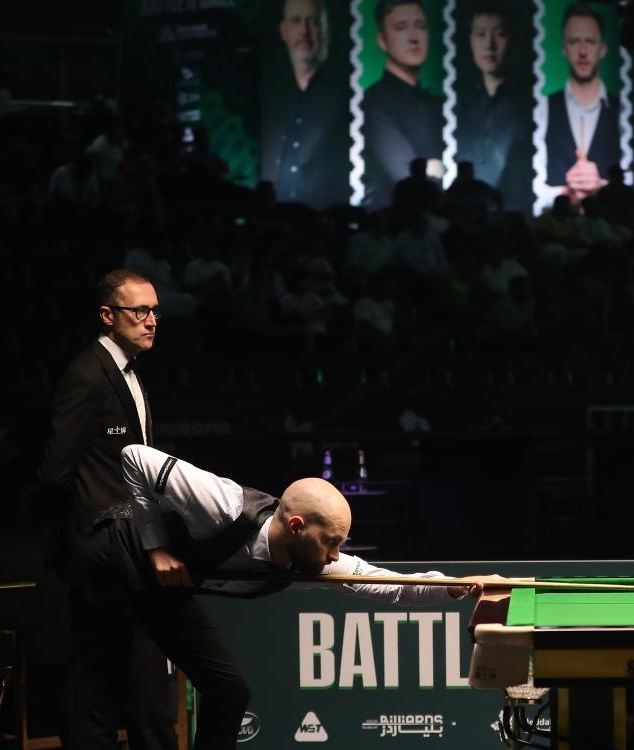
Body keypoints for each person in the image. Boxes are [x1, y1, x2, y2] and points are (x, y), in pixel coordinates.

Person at [79, 443, 503, 749]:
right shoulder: (223, 505)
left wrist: (458, 585)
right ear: (297, 526)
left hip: (160, 589)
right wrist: (156, 547)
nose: (335, 556)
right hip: (115, 556)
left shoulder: (311, 559)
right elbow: (135, 456)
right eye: (331, 542)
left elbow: (389, 586)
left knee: (228, 691)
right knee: (126, 698)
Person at [39, 269, 177, 750]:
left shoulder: (129, 372)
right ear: (107, 315)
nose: (151, 320)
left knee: (104, 680)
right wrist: (93, 534)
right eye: (139, 311)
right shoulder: (87, 374)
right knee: (117, 682)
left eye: (154, 310)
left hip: (129, 548)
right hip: (105, 552)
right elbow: (55, 473)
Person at [261, 0, 351, 208]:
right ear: (284, 31)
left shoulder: (345, 92)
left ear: (327, 31)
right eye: (296, 21)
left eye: (313, 22)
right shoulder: (273, 96)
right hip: (279, 214)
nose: (304, 31)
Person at [362, 0, 443, 209]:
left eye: (420, 26)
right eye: (401, 27)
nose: (414, 37)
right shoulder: (372, 102)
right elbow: (404, 174)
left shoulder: (437, 105)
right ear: (382, 40)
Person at [456, 4, 532, 213]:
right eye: (480, 34)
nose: (489, 45)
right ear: (470, 39)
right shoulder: (461, 102)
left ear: (513, 40)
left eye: (500, 34)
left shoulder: (528, 102)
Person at [545, 2, 620, 203]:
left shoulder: (623, 111)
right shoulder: (543, 108)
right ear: (564, 49)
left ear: (602, 49)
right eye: (574, 41)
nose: (583, 51)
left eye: (590, 41)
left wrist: (600, 187)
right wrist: (566, 191)